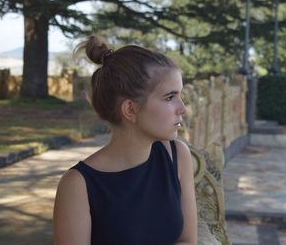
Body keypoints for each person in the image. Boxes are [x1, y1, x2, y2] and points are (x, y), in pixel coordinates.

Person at [53, 36, 197, 245]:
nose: (182, 108)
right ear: (130, 109)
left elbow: (187, 240)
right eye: (169, 97)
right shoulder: (78, 185)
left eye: (180, 96)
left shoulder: (176, 156)